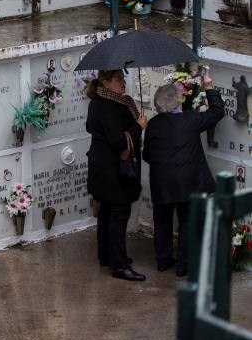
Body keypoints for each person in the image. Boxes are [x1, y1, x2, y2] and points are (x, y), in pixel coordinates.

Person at [142, 76, 224, 277]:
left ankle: (163, 261)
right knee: (187, 221)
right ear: (178, 101)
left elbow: (147, 155)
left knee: (162, 221)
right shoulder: (190, 119)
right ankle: (183, 265)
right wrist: (208, 87)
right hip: (188, 182)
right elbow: (217, 112)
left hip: (162, 183)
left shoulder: (153, 124)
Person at [86, 69, 147, 282]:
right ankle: (119, 265)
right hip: (114, 173)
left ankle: (106, 256)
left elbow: (91, 128)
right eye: (118, 79)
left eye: (123, 78)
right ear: (105, 82)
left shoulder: (98, 101)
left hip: (102, 170)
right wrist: (138, 126)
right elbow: (119, 141)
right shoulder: (110, 106)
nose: (123, 82)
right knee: (119, 214)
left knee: (106, 211)